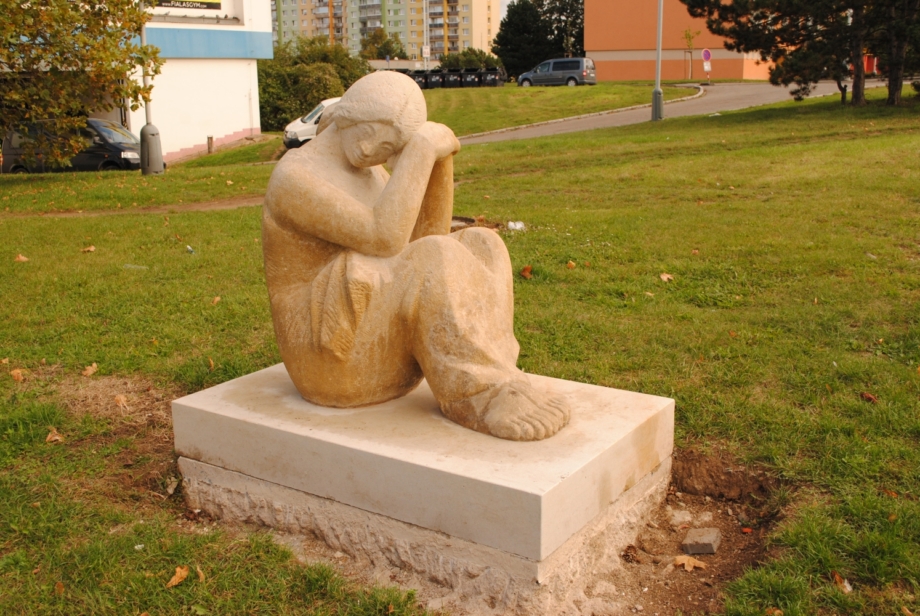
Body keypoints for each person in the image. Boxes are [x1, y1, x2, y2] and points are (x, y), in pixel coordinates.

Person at [262, 71, 569, 441]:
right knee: (436, 253)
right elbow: (387, 238)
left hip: (372, 336)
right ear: (367, 136)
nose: (392, 157)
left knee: (481, 244)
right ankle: (479, 396)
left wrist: (441, 162)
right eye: (392, 148)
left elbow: (427, 238)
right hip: (327, 357)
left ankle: (499, 376)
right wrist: (422, 150)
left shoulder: (366, 166)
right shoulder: (294, 180)